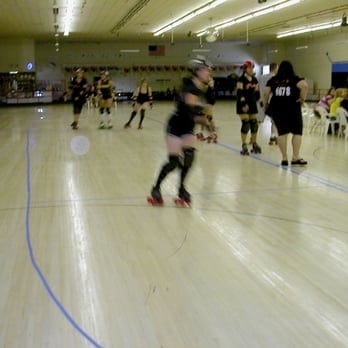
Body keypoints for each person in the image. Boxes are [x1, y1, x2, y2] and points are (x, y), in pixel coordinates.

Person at [148, 58, 212, 205]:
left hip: (188, 128)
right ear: (197, 71)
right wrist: (205, 121)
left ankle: (182, 188)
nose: (209, 73)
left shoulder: (202, 89)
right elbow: (190, 110)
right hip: (175, 127)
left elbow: (199, 111)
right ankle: (155, 188)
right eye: (206, 70)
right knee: (174, 163)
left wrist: (207, 122)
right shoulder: (189, 86)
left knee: (189, 158)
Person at [263, 60, 308, 166]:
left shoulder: (273, 80)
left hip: (278, 109)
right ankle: (295, 157)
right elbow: (305, 86)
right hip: (293, 109)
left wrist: (265, 104)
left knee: (282, 133)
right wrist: (302, 99)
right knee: (297, 132)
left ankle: (284, 158)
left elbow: (266, 93)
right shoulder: (295, 79)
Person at [236, 60, 261, 155]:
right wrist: (243, 104)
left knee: (254, 124)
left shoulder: (254, 79)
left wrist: (258, 101)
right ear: (245, 69)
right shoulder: (241, 79)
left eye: (252, 68)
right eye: (249, 68)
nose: (251, 69)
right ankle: (244, 145)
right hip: (242, 104)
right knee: (246, 124)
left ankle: (254, 143)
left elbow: (257, 92)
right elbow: (239, 93)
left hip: (252, 104)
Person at [258, 62, 279, 145]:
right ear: (275, 68)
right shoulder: (275, 78)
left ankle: (253, 136)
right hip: (271, 102)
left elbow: (257, 88)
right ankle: (273, 137)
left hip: (261, 101)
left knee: (258, 120)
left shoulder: (261, 77)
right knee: (274, 121)